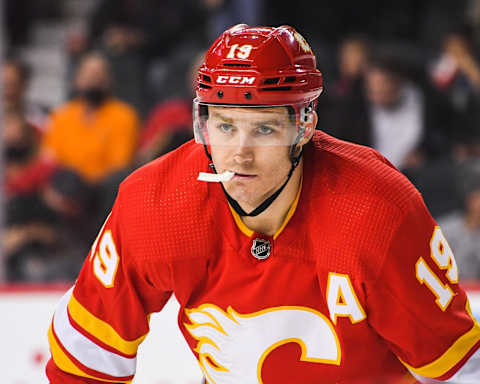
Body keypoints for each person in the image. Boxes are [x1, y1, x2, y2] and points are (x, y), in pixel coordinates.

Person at [45, 25, 480, 384]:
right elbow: (84, 360)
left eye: (265, 129)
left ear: (305, 126)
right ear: (202, 122)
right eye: (225, 125)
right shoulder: (156, 204)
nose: (239, 153)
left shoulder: (376, 211)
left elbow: (459, 370)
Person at [41, 52, 139, 184]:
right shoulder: (61, 116)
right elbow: (50, 159)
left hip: (102, 188)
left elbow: (119, 165)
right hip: (65, 187)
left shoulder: (124, 116)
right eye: (89, 73)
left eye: (99, 74)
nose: (94, 78)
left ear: (109, 80)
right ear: (77, 79)